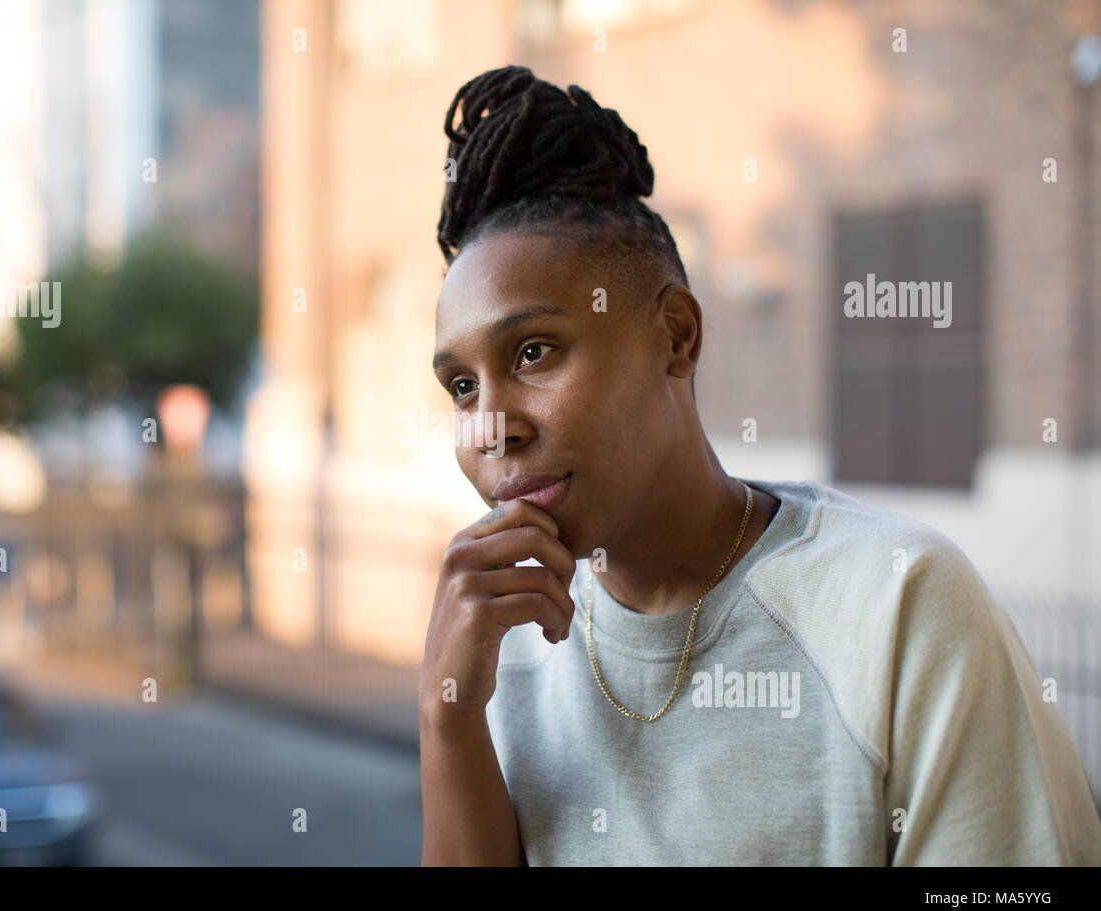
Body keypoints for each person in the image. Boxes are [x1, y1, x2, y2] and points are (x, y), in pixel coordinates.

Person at [417, 65, 1101, 866]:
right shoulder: (503, 640)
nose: (492, 425)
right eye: (462, 387)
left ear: (674, 335)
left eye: (534, 352)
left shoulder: (897, 603)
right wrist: (446, 715)